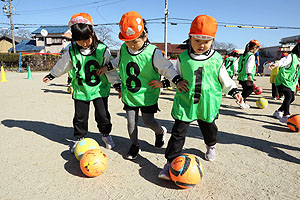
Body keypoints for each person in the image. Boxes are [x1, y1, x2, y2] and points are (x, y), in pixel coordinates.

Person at [158, 15, 243, 180]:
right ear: (190, 38)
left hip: (207, 103)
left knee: (209, 129)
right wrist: (170, 84)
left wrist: (235, 92)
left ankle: (211, 145)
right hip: (186, 102)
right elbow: (177, 78)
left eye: (206, 41)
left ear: (213, 41)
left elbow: (225, 80)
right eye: (197, 40)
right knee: (178, 133)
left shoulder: (217, 60)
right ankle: (170, 162)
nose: (201, 45)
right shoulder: (183, 58)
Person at [103, 11, 188, 160]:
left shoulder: (153, 52)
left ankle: (160, 132)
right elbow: (118, 62)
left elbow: (167, 68)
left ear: (145, 36)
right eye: (128, 42)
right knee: (131, 124)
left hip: (147, 94)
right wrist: (107, 67)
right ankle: (134, 145)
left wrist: (176, 81)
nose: (131, 45)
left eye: (135, 41)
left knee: (148, 121)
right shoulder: (124, 49)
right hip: (130, 94)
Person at [43, 13, 121, 152]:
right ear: (74, 39)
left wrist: (117, 85)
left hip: (99, 89)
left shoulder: (103, 50)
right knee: (80, 117)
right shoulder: (72, 51)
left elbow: (109, 69)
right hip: (81, 89)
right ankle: (79, 139)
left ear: (92, 33)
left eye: (86, 39)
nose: (84, 43)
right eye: (80, 41)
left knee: (103, 115)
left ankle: (105, 134)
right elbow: (63, 64)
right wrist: (52, 75)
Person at [269, 39, 300, 123]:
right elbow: (283, 61)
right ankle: (286, 115)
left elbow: (296, 73)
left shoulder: (298, 59)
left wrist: (296, 84)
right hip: (283, 81)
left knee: (292, 98)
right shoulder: (291, 56)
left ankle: (278, 111)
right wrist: (275, 64)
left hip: (290, 83)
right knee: (289, 96)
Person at [237, 39, 260, 109]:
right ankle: (241, 100)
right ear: (254, 48)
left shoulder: (243, 55)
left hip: (241, 75)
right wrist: (249, 74)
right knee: (250, 89)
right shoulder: (251, 56)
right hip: (246, 76)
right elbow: (248, 65)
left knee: (245, 89)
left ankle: (243, 102)